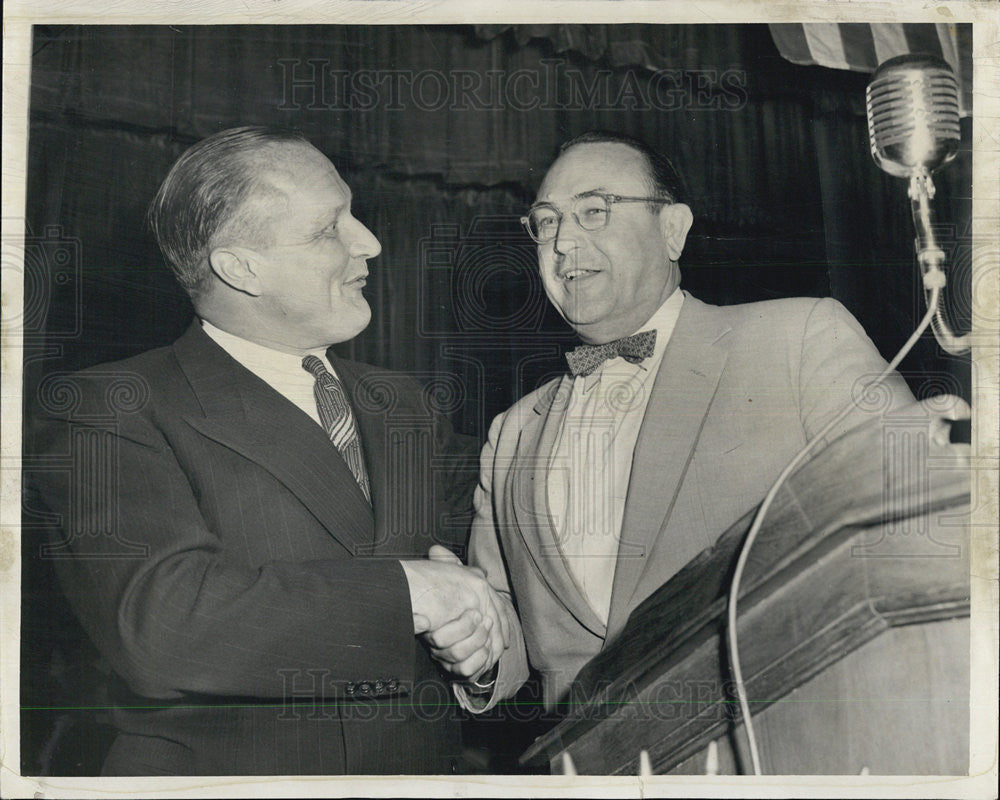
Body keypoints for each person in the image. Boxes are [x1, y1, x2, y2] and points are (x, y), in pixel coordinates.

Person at [30, 127, 522, 775]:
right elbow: (162, 625)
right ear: (241, 267)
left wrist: (484, 657)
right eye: (329, 229)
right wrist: (407, 591)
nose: (369, 242)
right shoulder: (112, 406)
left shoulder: (404, 405)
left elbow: (494, 582)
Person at [466, 131, 919, 712]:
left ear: (673, 230)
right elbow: (502, 619)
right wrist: (472, 646)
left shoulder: (799, 339)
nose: (564, 242)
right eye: (547, 222)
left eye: (594, 212)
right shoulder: (511, 433)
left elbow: (913, 515)